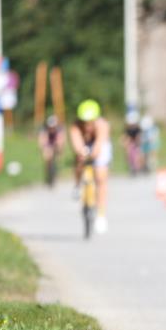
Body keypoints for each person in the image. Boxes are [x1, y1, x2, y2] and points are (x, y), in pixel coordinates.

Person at [68, 99, 112, 234]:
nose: (87, 126)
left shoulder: (102, 126)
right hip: (85, 145)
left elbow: (99, 146)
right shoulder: (75, 127)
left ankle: (101, 215)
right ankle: (77, 185)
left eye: (90, 122)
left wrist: (93, 155)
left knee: (100, 177)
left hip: (99, 145)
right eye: (84, 122)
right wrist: (81, 154)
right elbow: (77, 144)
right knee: (79, 161)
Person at [37, 114, 65, 186]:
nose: (51, 128)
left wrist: (59, 148)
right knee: (47, 157)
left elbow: (61, 140)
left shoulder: (59, 129)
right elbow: (42, 140)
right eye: (50, 127)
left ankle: (55, 171)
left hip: (56, 143)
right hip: (48, 143)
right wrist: (43, 148)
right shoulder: (44, 129)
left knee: (58, 154)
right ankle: (48, 172)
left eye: (53, 127)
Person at [121, 111, 144, 175]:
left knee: (137, 155)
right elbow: (125, 136)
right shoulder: (127, 129)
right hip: (130, 143)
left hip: (136, 143)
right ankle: (131, 166)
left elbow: (139, 137)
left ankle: (138, 167)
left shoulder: (137, 129)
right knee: (128, 154)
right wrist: (124, 142)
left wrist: (138, 142)